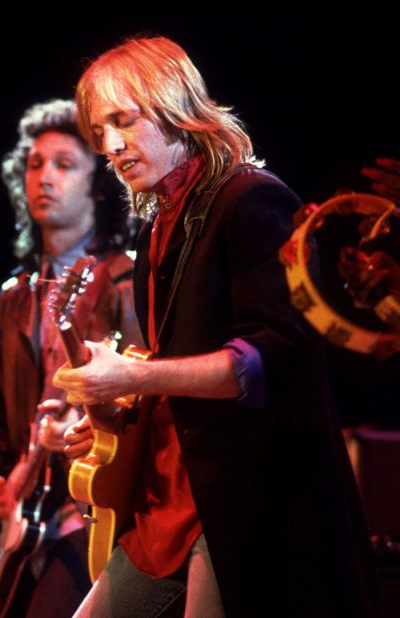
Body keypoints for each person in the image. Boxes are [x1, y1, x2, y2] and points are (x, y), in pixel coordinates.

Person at [53, 36, 380, 616]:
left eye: (123, 121)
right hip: (169, 499)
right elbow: (170, 367)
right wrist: (111, 410)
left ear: (174, 105)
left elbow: (262, 361)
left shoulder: (252, 199)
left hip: (243, 499)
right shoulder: (155, 230)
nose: (110, 145)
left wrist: (131, 375)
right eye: (99, 132)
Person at [0, 99, 140, 617]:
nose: (44, 177)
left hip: (92, 511)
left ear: (98, 185)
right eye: (36, 164)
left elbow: (145, 401)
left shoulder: (126, 281)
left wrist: (90, 428)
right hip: (25, 513)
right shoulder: (14, 295)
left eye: (65, 164)